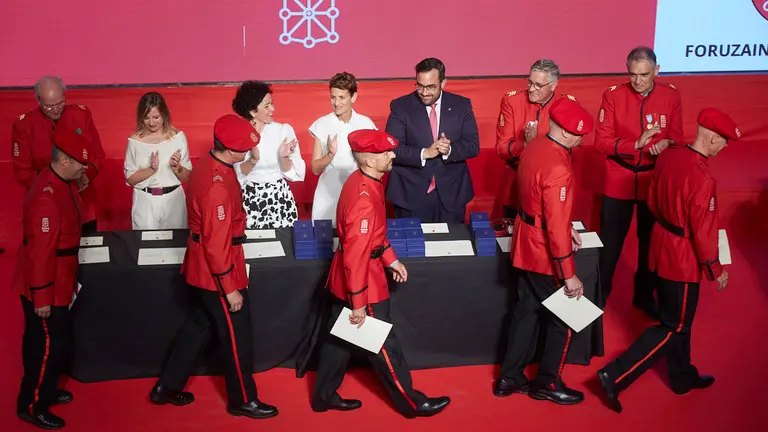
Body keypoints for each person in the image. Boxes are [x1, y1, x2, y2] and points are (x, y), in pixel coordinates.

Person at [597, 108, 737, 413]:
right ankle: (614, 375)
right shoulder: (704, 178)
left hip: (660, 244)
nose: (725, 147)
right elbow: (704, 233)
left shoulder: (670, 156)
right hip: (682, 259)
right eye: (724, 141)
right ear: (713, 138)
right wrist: (716, 269)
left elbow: (652, 200)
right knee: (674, 326)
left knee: (680, 321)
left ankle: (681, 377)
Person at [311, 129, 451, 418]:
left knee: (339, 340)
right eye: (385, 153)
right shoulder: (364, 197)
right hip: (363, 282)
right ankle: (411, 403)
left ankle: (323, 396)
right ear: (369, 160)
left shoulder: (361, 180)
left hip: (346, 277)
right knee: (386, 346)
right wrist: (358, 302)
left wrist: (391, 260)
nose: (392, 155)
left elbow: (373, 236)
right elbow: (357, 255)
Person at [148, 114, 278, 419]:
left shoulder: (206, 164)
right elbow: (216, 244)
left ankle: (166, 387)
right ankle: (243, 399)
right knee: (236, 337)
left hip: (200, 267)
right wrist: (229, 287)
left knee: (199, 326)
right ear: (231, 150)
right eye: (244, 148)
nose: (248, 151)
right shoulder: (217, 186)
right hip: (217, 272)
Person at [495, 97, 593, 405]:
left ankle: (510, 376)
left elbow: (537, 201)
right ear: (564, 131)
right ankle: (548, 383)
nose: (580, 141)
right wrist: (569, 274)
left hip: (524, 240)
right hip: (542, 252)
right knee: (566, 317)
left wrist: (565, 224)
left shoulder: (535, 146)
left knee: (526, 311)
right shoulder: (559, 167)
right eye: (577, 135)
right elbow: (555, 227)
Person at [594, 46, 683, 315]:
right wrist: (635, 145)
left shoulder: (671, 95)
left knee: (650, 244)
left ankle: (644, 296)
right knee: (609, 245)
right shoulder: (613, 95)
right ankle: (598, 297)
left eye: (644, 75)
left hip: (652, 181)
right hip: (618, 178)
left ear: (657, 71)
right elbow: (601, 143)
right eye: (632, 74)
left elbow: (678, 137)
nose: (638, 81)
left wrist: (666, 142)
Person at [13, 128, 91, 430]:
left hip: (61, 276)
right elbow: (40, 253)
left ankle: (47, 389)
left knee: (56, 341)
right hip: (47, 283)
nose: (84, 168)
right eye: (80, 163)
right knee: (46, 347)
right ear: (64, 161)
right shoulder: (47, 197)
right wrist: (42, 297)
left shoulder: (61, 182)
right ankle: (33, 404)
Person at [385, 58, 480, 223]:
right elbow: (393, 147)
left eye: (430, 87)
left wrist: (449, 150)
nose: (424, 92)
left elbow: (472, 146)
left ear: (443, 83)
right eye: (420, 86)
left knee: (450, 240)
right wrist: (424, 153)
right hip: (411, 194)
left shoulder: (461, 105)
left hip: (451, 195)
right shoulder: (401, 107)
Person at [11, 76, 105, 234]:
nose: (55, 110)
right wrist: (58, 183)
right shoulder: (24, 125)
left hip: (82, 203)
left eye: (60, 104)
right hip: (46, 206)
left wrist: (85, 176)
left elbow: (97, 157)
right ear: (38, 100)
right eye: (48, 107)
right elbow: (22, 172)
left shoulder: (81, 115)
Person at [495, 59, 576, 219]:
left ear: (553, 85)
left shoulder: (567, 104)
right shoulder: (512, 101)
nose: (531, 89)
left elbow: (572, 149)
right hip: (517, 184)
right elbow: (501, 148)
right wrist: (525, 144)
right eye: (530, 82)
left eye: (538, 85)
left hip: (552, 185)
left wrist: (536, 147)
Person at [232, 81, 306, 229]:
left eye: (272, 103)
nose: (273, 109)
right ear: (253, 111)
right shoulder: (237, 134)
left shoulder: (282, 130)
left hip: (279, 198)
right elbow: (235, 174)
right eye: (267, 106)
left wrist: (283, 157)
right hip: (249, 198)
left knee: (284, 241)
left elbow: (294, 174)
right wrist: (253, 160)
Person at [310, 72, 377, 226]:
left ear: (353, 97)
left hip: (358, 192)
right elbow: (315, 169)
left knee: (356, 236)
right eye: (333, 97)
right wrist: (330, 154)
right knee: (326, 238)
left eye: (342, 97)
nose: (336, 103)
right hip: (327, 194)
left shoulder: (366, 124)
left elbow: (375, 164)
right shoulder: (322, 124)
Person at [124, 92, 192, 230]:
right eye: (146, 118)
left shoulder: (178, 138)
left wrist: (176, 167)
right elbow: (130, 179)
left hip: (174, 200)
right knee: (145, 242)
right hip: (145, 201)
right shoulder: (134, 142)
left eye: (156, 117)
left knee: (175, 242)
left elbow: (187, 177)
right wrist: (150, 170)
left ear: (164, 115)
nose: (151, 123)